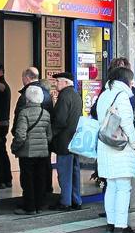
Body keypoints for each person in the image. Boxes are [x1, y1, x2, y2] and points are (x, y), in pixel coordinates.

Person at [96, 67, 135, 233]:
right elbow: (127, 123)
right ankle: (121, 226)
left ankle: (111, 222)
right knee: (123, 187)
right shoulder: (122, 97)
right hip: (119, 147)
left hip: (105, 145)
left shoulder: (104, 95)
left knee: (111, 186)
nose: (133, 83)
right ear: (126, 81)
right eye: (131, 79)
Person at [11, 86, 52, 215]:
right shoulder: (46, 113)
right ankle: (39, 205)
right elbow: (49, 135)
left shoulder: (24, 113)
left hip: (27, 152)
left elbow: (21, 134)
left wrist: (15, 147)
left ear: (27, 98)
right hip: (42, 152)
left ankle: (29, 207)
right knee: (40, 178)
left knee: (27, 180)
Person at [49, 72, 83, 211]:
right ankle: (76, 200)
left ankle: (65, 202)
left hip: (64, 141)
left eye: (57, 81)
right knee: (74, 171)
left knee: (64, 173)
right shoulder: (76, 95)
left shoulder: (64, 96)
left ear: (65, 82)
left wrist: (51, 134)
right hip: (74, 139)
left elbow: (60, 120)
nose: (56, 84)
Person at [0, 63, 13, 189]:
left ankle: (1, 179)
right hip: (3, 124)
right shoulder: (4, 86)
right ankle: (7, 178)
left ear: (1, 72)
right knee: (2, 152)